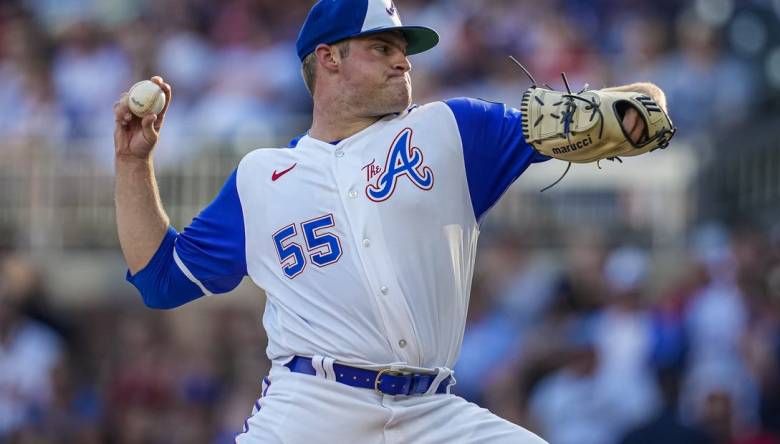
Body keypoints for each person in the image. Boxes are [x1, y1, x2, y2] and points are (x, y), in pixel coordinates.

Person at [112, 1, 666, 442]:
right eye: (382, 47)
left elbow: (646, 109)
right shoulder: (262, 176)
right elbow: (162, 280)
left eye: (404, 50)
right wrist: (133, 164)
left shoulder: (450, 129)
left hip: (433, 414)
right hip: (312, 409)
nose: (403, 61)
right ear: (328, 58)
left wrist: (628, 113)